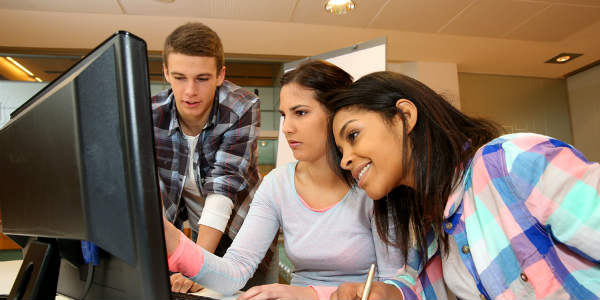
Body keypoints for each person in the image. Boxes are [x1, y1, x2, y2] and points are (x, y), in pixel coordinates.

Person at [328, 71, 600, 299]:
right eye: (341, 151)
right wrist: (386, 293)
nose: (345, 161)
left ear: (404, 116)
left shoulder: (509, 160)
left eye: (353, 135)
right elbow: (418, 282)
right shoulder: (433, 219)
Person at [163, 60, 415, 300]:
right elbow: (236, 269)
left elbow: (392, 285)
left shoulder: (373, 181)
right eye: (285, 115)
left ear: (337, 114)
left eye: (301, 113)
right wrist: (178, 246)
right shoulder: (277, 184)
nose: (287, 128)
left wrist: (312, 295)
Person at [152, 22, 271, 293]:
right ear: (166, 73)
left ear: (220, 75)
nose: (190, 91)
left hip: (244, 238)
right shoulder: (151, 114)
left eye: (202, 78)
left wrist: (198, 266)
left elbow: (222, 186)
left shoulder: (242, 106)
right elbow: (152, 190)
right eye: (180, 77)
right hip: (196, 236)